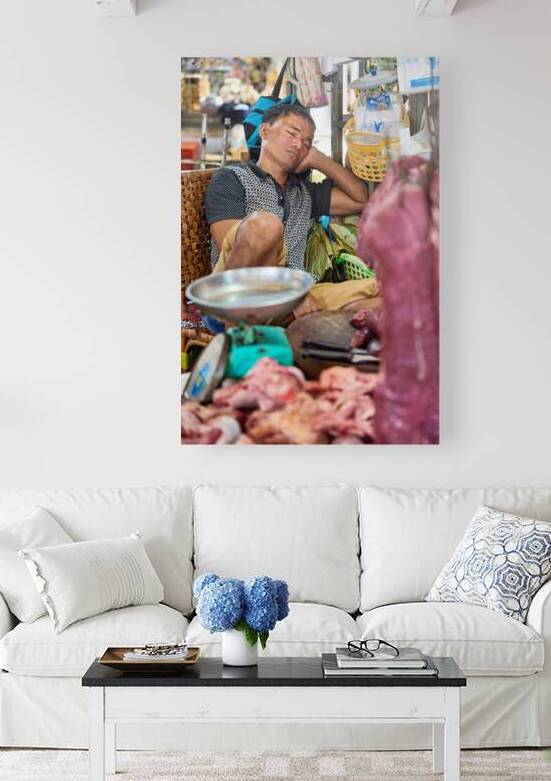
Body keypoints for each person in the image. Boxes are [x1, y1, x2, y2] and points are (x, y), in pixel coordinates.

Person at [204, 102, 379, 317]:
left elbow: (361, 198)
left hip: (300, 299)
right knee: (264, 225)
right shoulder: (233, 178)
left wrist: (317, 158)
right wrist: (291, 290)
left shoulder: (304, 193)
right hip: (241, 293)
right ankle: (242, 333)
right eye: (292, 133)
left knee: (388, 290)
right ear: (265, 130)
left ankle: (345, 313)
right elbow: (230, 249)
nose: (299, 145)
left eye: (307, 142)